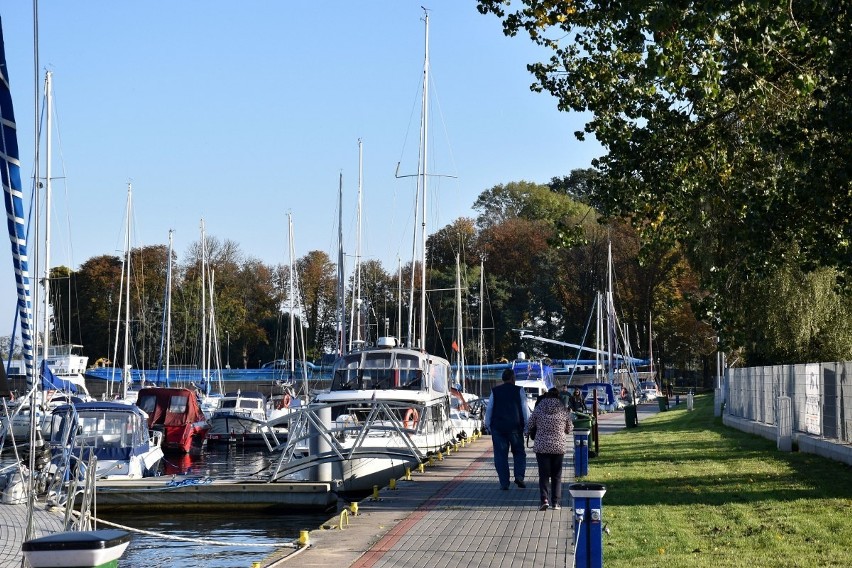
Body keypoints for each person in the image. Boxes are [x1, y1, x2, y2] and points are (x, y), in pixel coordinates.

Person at [525, 387, 573, 510]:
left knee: (544, 475)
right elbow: (569, 429)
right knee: (557, 475)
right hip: (558, 447)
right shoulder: (563, 410)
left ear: (546, 396)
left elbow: (529, 425)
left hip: (542, 446)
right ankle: (556, 502)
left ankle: (544, 500)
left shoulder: (539, 408)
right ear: (558, 396)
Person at [485, 368, 529, 490]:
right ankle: (519, 476)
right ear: (513, 378)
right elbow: (525, 409)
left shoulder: (495, 391)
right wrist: (527, 426)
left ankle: (504, 483)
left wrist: (488, 425)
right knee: (519, 452)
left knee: (500, 455)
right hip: (515, 427)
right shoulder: (519, 390)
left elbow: (489, 409)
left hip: (498, 428)